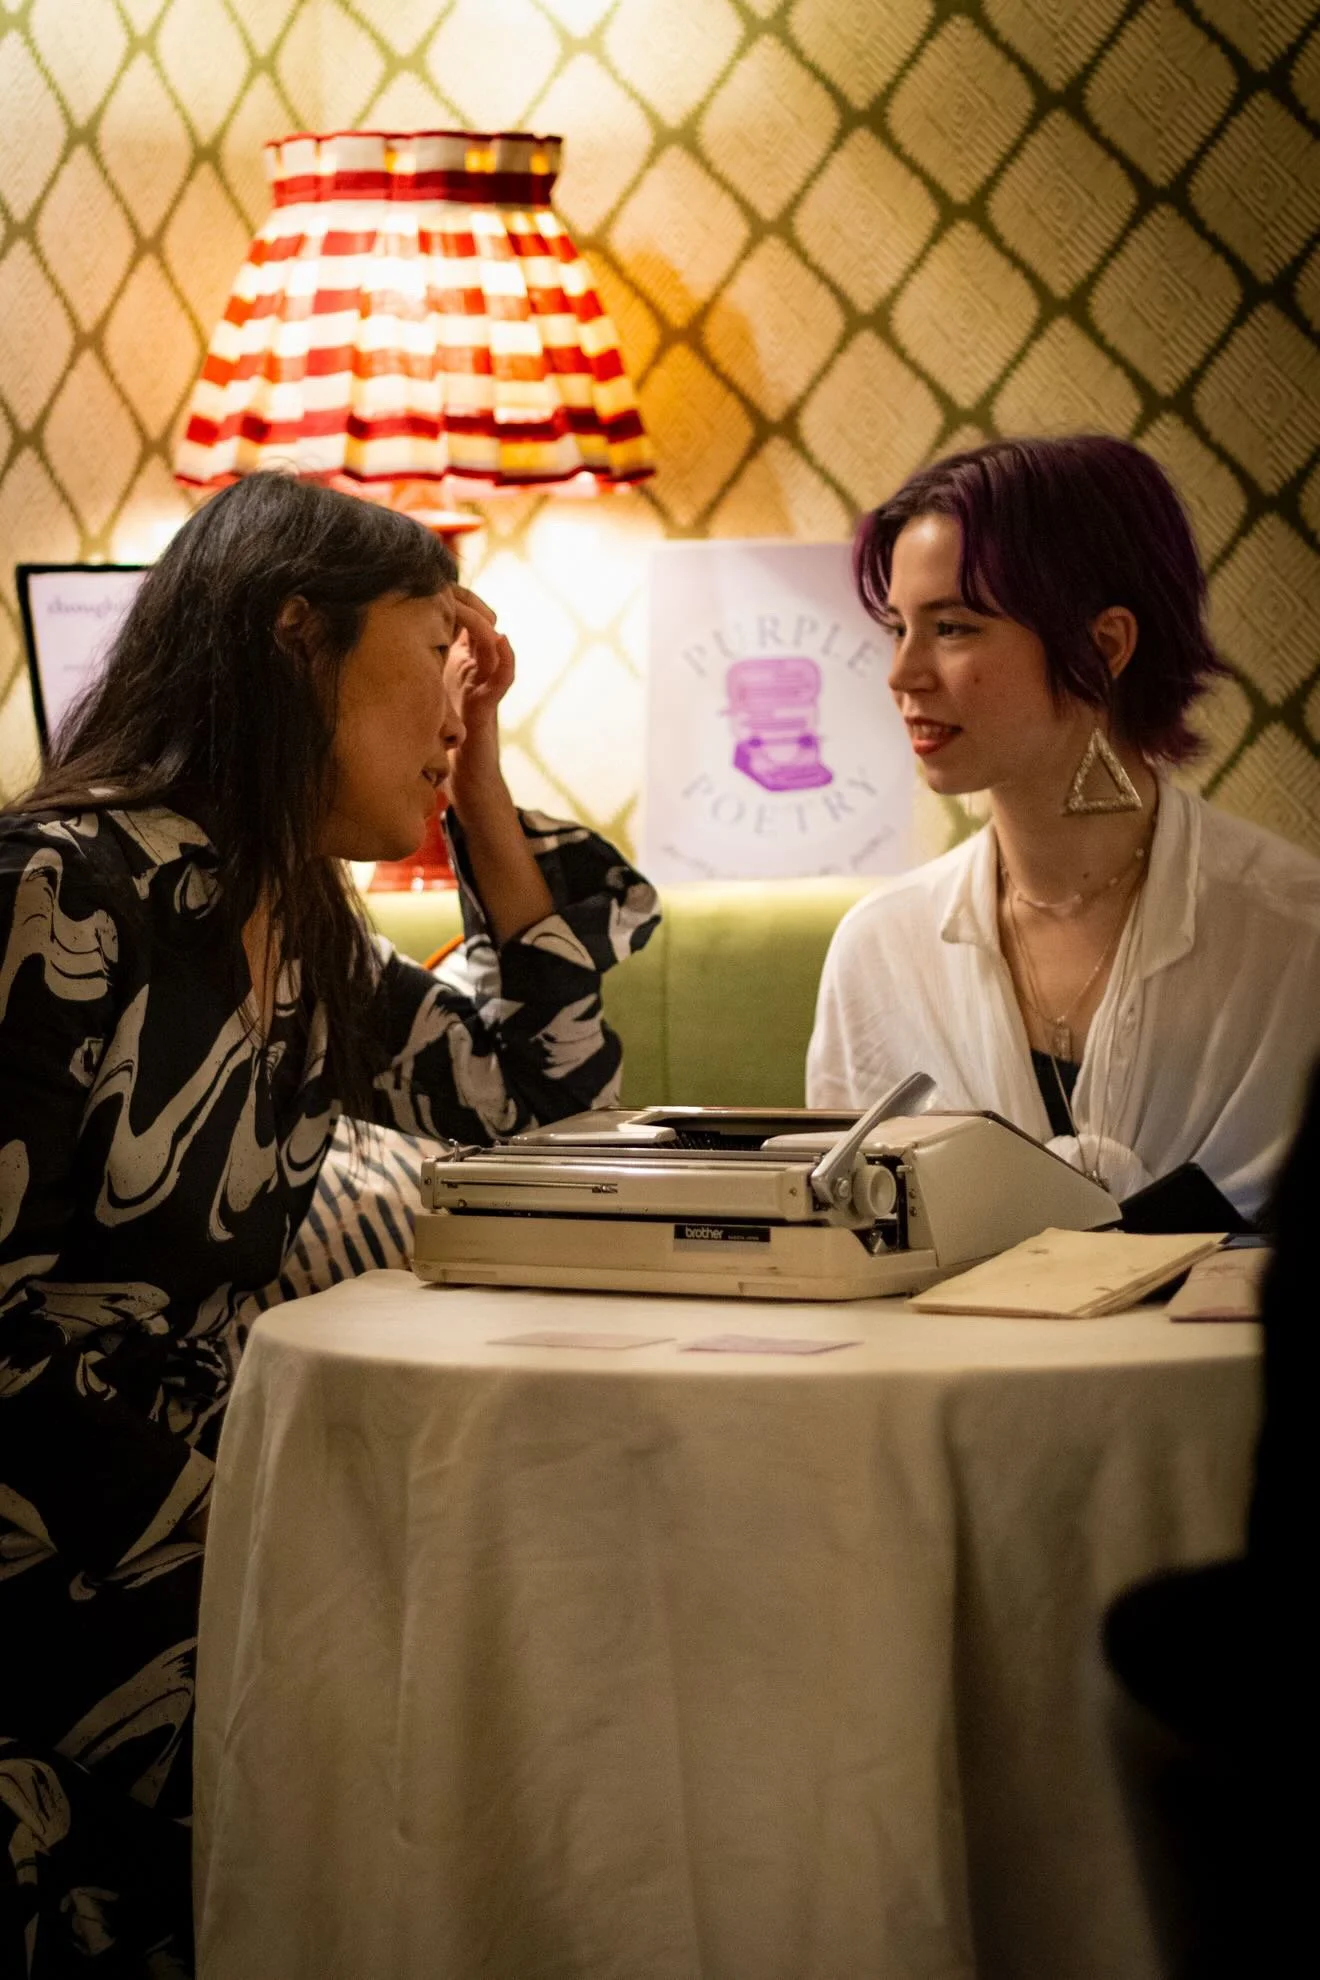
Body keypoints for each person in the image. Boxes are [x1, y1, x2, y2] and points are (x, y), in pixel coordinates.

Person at [0, 473, 658, 1976]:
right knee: (458, 1725)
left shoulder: (298, 928)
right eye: (441, 651)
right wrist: (277, 1539)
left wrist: (480, 789)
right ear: (300, 644)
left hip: (209, 1536)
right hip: (56, 1555)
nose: (458, 698)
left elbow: (546, 1106)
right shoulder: (56, 891)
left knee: (558, 1646)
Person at [806, 435, 1320, 1218]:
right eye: (897, 628)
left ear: (1104, 645)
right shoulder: (880, 952)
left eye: (952, 628)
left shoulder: (1294, 937)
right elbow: (844, 1249)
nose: (903, 674)